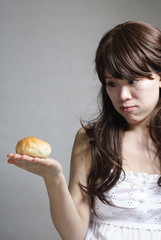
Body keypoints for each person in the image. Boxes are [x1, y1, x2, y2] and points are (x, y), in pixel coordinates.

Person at [7, 21, 161, 240]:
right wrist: (54, 178)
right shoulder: (92, 139)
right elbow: (74, 235)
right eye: (112, 83)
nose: (123, 95)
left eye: (133, 80)